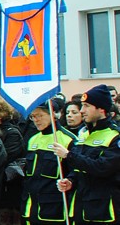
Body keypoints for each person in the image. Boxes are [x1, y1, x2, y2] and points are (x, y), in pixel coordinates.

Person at [52, 84, 120, 224]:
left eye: (87, 106)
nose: (82, 111)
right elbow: (79, 168)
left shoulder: (115, 136)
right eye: (82, 106)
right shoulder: (84, 135)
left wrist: (68, 155)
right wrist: (70, 181)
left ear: (101, 109)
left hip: (104, 210)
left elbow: (102, 167)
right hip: (81, 207)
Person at [21, 100, 75, 225]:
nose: (36, 120)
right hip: (30, 206)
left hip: (53, 210)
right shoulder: (33, 139)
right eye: (33, 116)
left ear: (52, 114)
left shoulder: (67, 139)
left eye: (39, 115)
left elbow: (74, 174)